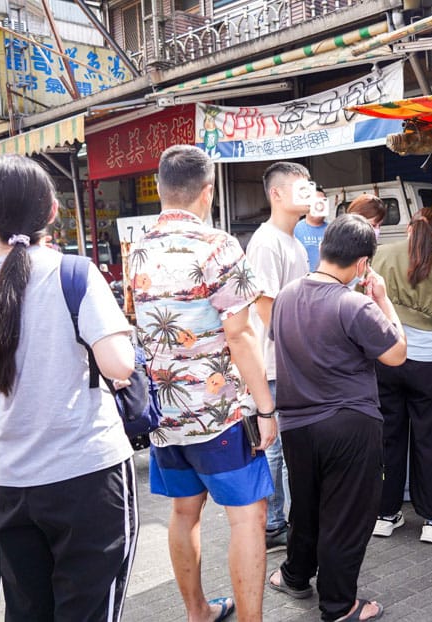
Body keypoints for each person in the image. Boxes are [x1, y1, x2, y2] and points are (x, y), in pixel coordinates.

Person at [0, 154, 137, 621]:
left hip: (13, 480)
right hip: (87, 474)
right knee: (89, 610)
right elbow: (119, 365)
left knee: (27, 611)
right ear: (53, 210)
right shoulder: (74, 272)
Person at [129, 145, 276, 622]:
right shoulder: (219, 246)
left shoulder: (140, 248)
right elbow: (241, 333)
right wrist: (267, 408)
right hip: (219, 415)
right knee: (248, 516)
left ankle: (197, 613)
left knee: (183, 512)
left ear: (161, 187)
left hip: (164, 413)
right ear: (207, 191)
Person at [267, 213, 406, 622]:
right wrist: (382, 298)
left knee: (306, 509)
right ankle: (339, 604)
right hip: (348, 424)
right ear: (363, 264)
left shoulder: (286, 295)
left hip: (296, 426)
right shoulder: (356, 304)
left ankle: (294, 576)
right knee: (345, 516)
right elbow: (396, 353)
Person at [371, 207, 432, 544]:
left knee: (389, 437)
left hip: (387, 358)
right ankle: (431, 520)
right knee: (426, 440)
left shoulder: (381, 255)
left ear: (409, 227)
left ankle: (385, 514)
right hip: (426, 361)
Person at [247, 161, 312, 553]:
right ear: (276, 194)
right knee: (274, 448)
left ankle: (281, 521)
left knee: (286, 449)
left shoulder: (293, 241)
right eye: (300, 188)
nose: (308, 194)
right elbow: (265, 307)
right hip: (275, 362)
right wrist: (298, 353)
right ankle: (272, 525)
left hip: (287, 360)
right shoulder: (267, 241)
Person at [293, 185, 328, 271]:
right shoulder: (294, 230)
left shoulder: (333, 230)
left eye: (322, 202)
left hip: (327, 282)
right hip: (304, 282)